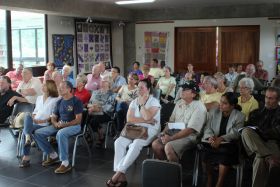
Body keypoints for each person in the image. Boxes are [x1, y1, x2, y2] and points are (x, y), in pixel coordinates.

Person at [106, 79, 161, 187]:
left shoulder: (154, 101)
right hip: (134, 129)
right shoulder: (134, 101)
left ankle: (117, 175)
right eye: (138, 87)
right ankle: (122, 178)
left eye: (142, 87)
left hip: (149, 130)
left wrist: (142, 106)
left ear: (148, 89)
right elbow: (129, 119)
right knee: (118, 142)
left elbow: (147, 116)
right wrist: (146, 120)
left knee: (135, 144)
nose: (139, 89)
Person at [34, 81, 83, 174]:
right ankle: (53, 155)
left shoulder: (76, 101)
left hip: (74, 126)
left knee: (61, 133)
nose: (59, 89)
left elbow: (78, 120)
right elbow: (53, 116)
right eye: (59, 87)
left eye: (62, 87)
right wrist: (55, 123)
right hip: (60, 125)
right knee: (38, 133)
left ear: (69, 89)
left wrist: (64, 125)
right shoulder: (59, 101)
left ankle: (65, 163)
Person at [152, 81, 207, 162]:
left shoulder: (199, 107)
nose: (182, 90)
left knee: (168, 147)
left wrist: (170, 138)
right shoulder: (179, 102)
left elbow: (190, 130)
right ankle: (168, 167)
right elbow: (171, 122)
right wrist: (163, 133)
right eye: (182, 88)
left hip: (190, 136)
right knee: (155, 144)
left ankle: (175, 172)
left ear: (193, 94)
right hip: (175, 132)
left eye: (186, 89)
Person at [201, 92, 245, 187]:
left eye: (224, 103)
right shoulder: (214, 111)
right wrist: (210, 137)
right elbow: (208, 127)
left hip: (229, 143)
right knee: (205, 151)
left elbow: (235, 133)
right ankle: (209, 178)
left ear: (232, 106)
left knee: (225, 153)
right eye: (220, 102)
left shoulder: (240, 116)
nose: (220, 104)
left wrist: (221, 138)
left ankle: (219, 182)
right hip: (213, 141)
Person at [241, 87, 280, 187]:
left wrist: (262, 132)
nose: (267, 100)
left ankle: (266, 156)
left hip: (272, 144)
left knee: (260, 160)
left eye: (271, 98)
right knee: (245, 131)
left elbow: (277, 132)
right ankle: (268, 157)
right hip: (255, 143)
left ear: (277, 99)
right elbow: (248, 128)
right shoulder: (256, 112)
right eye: (266, 97)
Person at [19, 80, 59, 168]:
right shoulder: (39, 98)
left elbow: (54, 114)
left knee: (26, 132)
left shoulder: (56, 99)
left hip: (46, 124)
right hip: (35, 122)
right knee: (27, 115)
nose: (42, 86)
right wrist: (34, 118)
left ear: (49, 87)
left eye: (44, 85)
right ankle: (28, 138)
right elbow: (35, 111)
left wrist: (43, 121)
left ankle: (26, 157)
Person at [87, 79, 116, 147]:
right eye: (102, 82)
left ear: (109, 84)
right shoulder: (95, 92)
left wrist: (98, 108)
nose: (102, 84)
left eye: (105, 82)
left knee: (93, 120)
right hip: (93, 111)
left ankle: (100, 135)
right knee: (85, 117)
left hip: (106, 113)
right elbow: (89, 103)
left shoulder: (112, 94)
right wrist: (92, 107)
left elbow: (109, 107)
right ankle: (88, 134)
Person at [115, 73, 138, 138]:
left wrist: (130, 102)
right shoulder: (124, 87)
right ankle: (126, 128)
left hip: (132, 107)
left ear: (136, 81)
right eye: (128, 78)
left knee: (120, 112)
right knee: (122, 105)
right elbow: (117, 97)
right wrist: (122, 101)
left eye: (131, 79)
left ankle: (119, 131)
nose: (129, 80)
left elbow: (138, 101)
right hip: (121, 104)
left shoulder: (137, 89)